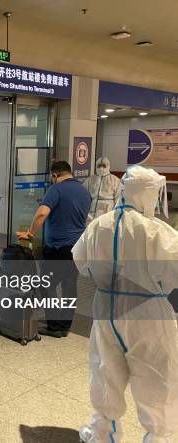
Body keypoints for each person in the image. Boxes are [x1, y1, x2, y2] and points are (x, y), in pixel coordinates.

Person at [73, 165, 178, 443]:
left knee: (105, 372)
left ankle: (103, 435)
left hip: (106, 307)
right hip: (150, 313)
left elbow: (81, 263)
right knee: (158, 381)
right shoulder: (157, 232)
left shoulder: (98, 225)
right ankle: (158, 438)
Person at [16, 161, 91, 337]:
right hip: (77, 248)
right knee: (69, 285)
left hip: (58, 248)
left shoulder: (56, 189)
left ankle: (55, 326)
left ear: (55, 175)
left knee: (46, 285)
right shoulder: (84, 192)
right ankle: (65, 325)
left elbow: (42, 213)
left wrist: (30, 233)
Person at [82, 156, 121, 222]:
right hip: (91, 212)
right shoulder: (90, 180)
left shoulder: (115, 180)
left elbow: (118, 197)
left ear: (108, 166)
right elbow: (83, 195)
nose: (101, 168)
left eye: (103, 166)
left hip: (108, 211)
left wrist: (116, 213)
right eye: (99, 166)